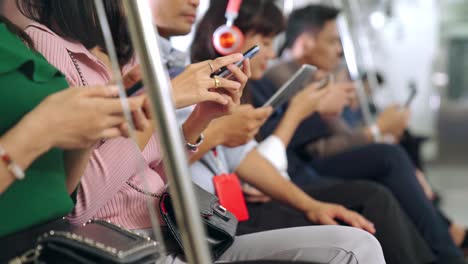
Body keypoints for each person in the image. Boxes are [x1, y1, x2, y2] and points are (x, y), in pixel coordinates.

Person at [5, 1, 387, 263]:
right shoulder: (51, 49)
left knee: (355, 243)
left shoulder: (128, 57)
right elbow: (80, 201)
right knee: (354, 241)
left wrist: (198, 122)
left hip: (181, 231)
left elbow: (155, 173)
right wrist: (161, 102)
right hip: (128, 245)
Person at [254, 4, 466, 264]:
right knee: (387, 163)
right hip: (302, 170)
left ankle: (445, 239)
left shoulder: (314, 77)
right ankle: (447, 247)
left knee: (396, 156)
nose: (339, 50)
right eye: (333, 41)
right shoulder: (284, 78)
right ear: (307, 42)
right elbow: (314, 147)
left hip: (299, 166)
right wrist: (372, 130)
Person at [0, 16, 150, 261]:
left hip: (56, 246)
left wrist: (90, 129)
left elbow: (60, 193)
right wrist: (38, 132)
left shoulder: (11, 34)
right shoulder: (42, 40)